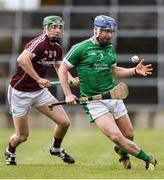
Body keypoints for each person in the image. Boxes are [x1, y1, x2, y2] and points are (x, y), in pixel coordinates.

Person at [58, 15, 158, 170]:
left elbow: (114, 71)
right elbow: (62, 69)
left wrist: (134, 71)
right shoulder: (81, 48)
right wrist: (68, 93)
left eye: (111, 31)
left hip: (113, 95)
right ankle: (148, 159)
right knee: (115, 136)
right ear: (96, 30)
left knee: (129, 136)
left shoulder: (110, 49)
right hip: (94, 101)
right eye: (106, 31)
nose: (109, 35)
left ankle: (121, 151)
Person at [5, 15, 79, 165]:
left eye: (59, 27)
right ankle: (10, 150)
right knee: (22, 136)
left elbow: (60, 67)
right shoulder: (38, 43)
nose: (57, 30)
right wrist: (39, 79)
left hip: (39, 92)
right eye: (53, 27)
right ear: (45, 29)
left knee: (64, 122)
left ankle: (55, 149)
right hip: (20, 92)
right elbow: (22, 60)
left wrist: (70, 78)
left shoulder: (57, 48)